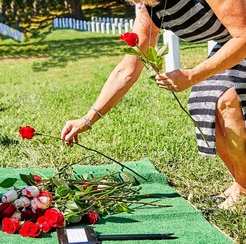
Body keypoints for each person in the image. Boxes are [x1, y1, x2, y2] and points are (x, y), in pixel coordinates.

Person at [61, 0, 246, 209]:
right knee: (203, 101)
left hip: (241, 41)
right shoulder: (149, 11)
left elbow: (243, 36)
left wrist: (193, 75)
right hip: (230, 44)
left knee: (227, 100)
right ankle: (242, 182)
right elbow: (127, 70)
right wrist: (87, 119)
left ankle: (242, 189)